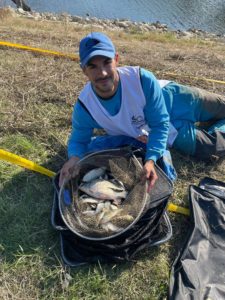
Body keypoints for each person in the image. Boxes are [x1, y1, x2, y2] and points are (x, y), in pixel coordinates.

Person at [59, 32, 225, 188]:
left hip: (177, 100)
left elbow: (159, 123)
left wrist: (151, 159)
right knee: (211, 149)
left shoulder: (142, 79)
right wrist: (74, 159)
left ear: (116, 59)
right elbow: (79, 140)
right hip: (172, 132)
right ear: (84, 70)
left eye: (107, 62)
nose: (102, 73)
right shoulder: (85, 106)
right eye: (92, 66)